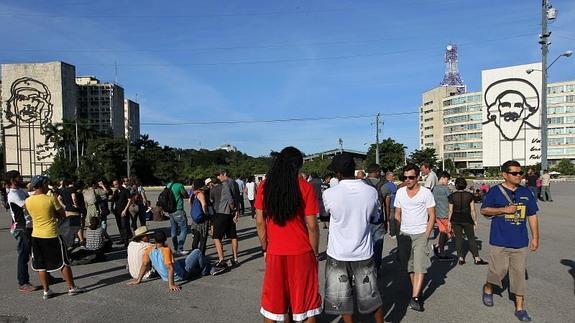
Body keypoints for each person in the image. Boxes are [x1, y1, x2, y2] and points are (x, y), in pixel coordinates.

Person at [255, 146, 322, 323]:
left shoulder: (264, 187)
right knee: (307, 306)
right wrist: (314, 252)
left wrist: (265, 247)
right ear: (298, 167)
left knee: (272, 305)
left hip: (275, 251)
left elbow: (260, 222)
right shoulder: (305, 187)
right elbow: (312, 225)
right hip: (302, 251)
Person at [323, 153, 384, 323]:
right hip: (363, 252)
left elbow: (327, 215)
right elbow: (373, 216)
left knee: (341, 299)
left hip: (338, 253)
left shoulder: (330, 194)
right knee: (372, 296)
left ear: (338, 174)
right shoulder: (371, 192)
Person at [481, 160, 539, 322]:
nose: (519, 176)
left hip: (519, 241)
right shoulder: (494, 191)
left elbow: (532, 216)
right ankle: (488, 288)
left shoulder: (526, 193)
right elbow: (484, 210)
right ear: (505, 175)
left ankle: (520, 308)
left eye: (520, 173)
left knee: (518, 274)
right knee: (497, 271)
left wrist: (535, 237)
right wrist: (503, 210)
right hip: (499, 240)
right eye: (514, 173)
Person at [24, 175, 86, 300]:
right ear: (42, 185)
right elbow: (62, 214)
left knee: (40, 265)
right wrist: (54, 214)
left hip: (36, 235)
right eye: (46, 184)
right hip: (51, 234)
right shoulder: (50, 199)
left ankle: (46, 291)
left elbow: (29, 214)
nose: (48, 186)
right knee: (63, 262)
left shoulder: (28, 201)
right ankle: (71, 287)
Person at [394, 163, 436, 312]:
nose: (408, 180)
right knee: (409, 267)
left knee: (420, 267)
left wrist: (426, 235)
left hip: (420, 235)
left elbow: (432, 215)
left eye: (411, 177)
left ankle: (416, 298)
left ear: (418, 177)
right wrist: (398, 234)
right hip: (404, 235)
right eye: (405, 177)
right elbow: (397, 214)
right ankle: (415, 291)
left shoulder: (426, 193)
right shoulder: (399, 193)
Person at [127, 231, 215, 291]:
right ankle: (206, 270)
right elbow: (170, 268)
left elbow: (144, 264)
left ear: (155, 240)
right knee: (197, 252)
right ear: (165, 239)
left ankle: (207, 265)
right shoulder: (166, 250)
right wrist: (171, 285)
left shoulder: (148, 250)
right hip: (181, 275)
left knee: (184, 260)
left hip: (165, 277)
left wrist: (139, 280)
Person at [6, 170, 36, 292]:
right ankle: (23, 282)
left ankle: (47, 276)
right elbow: (28, 206)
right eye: (19, 177)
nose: (22, 179)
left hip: (30, 225)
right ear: (13, 180)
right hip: (22, 227)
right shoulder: (13, 195)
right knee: (23, 255)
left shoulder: (20, 191)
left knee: (38, 253)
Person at [448, 178, 488, 266]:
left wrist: (449, 222)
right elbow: (473, 210)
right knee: (471, 238)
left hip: (455, 218)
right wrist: (475, 221)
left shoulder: (452, 196)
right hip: (467, 218)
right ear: (465, 185)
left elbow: (450, 210)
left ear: (456, 185)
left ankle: (461, 258)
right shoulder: (469, 195)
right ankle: (477, 258)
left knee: (458, 238)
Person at [363, 163, 390, 270]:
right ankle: (376, 268)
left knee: (365, 245)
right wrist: (387, 220)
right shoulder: (384, 185)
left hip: (364, 220)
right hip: (378, 220)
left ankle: (365, 267)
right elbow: (386, 206)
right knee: (378, 246)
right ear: (377, 172)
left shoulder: (362, 184)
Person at [211, 170, 239, 270]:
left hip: (223, 212)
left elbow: (229, 198)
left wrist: (232, 207)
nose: (219, 178)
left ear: (224, 174)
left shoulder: (225, 183)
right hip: (231, 214)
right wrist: (236, 211)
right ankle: (235, 258)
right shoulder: (235, 183)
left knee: (216, 236)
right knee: (233, 235)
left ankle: (221, 259)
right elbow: (237, 197)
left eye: (219, 176)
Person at [165, 178, 190, 255]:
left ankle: (176, 248)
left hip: (170, 211)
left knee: (173, 229)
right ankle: (180, 248)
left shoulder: (168, 185)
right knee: (184, 229)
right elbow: (185, 195)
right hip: (178, 209)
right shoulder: (179, 185)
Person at [432, 172, 452, 260]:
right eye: (447, 180)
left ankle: (439, 249)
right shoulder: (445, 188)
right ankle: (440, 249)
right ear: (443, 178)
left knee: (443, 232)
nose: (447, 182)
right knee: (450, 233)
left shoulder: (434, 188)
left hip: (438, 214)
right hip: (446, 214)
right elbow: (451, 200)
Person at [57, 179, 83, 247]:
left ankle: (71, 241)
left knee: (70, 226)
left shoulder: (63, 190)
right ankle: (81, 240)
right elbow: (73, 197)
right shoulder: (73, 189)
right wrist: (76, 205)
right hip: (74, 210)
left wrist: (64, 205)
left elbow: (59, 198)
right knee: (77, 225)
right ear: (72, 182)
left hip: (67, 210)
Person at [190, 179, 210, 255]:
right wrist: (207, 214)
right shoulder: (200, 194)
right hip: (202, 220)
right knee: (203, 240)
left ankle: (193, 255)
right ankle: (201, 256)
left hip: (195, 220)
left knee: (196, 239)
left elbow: (191, 204)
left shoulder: (193, 194)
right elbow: (204, 205)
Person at [110, 179, 132, 247]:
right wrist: (112, 208)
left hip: (124, 211)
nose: (115, 186)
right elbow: (112, 200)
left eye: (116, 184)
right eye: (114, 185)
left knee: (124, 226)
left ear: (119, 183)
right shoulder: (116, 192)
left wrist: (125, 210)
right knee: (119, 226)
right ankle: (122, 238)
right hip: (117, 211)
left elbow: (129, 200)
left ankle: (126, 241)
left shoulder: (125, 190)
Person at [383, 171, 398, 237]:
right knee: (392, 219)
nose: (394, 177)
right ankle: (392, 233)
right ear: (388, 177)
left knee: (393, 219)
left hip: (393, 204)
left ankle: (393, 232)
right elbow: (395, 191)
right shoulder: (389, 184)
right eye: (392, 176)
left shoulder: (391, 184)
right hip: (391, 204)